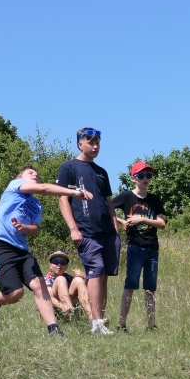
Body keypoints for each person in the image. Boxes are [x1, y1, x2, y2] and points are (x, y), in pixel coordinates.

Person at [0, 165, 93, 336]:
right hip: (0, 245)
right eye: (30, 173)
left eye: (37, 174)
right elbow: (43, 188)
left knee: (39, 284)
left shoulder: (36, 205)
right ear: (20, 177)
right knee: (15, 293)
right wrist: (73, 192)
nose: (35, 174)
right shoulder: (14, 186)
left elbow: (34, 230)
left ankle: (53, 329)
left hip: (22, 250)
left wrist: (23, 227)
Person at [57, 128, 119, 336]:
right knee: (96, 271)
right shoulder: (69, 167)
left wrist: (116, 229)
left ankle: (100, 320)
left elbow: (109, 202)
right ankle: (95, 321)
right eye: (90, 141)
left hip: (107, 233)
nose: (95, 146)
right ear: (79, 144)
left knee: (103, 277)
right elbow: (63, 199)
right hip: (86, 232)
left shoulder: (102, 171)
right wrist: (73, 229)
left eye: (98, 142)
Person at [112, 160, 166, 332]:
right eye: (141, 175)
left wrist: (141, 219)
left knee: (150, 288)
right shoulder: (126, 196)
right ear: (134, 178)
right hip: (135, 246)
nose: (145, 178)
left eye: (148, 175)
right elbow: (107, 210)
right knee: (130, 285)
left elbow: (162, 223)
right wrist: (121, 221)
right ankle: (122, 324)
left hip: (152, 247)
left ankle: (151, 325)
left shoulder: (154, 199)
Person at [44, 251, 93, 321]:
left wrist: (85, 277)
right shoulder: (47, 278)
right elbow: (48, 297)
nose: (59, 265)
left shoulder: (69, 278)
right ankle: (71, 313)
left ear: (66, 267)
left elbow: (87, 291)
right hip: (55, 309)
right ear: (50, 265)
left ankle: (92, 318)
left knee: (78, 280)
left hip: (69, 305)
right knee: (60, 279)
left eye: (63, 263)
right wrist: (62, 306)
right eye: (55, 262)